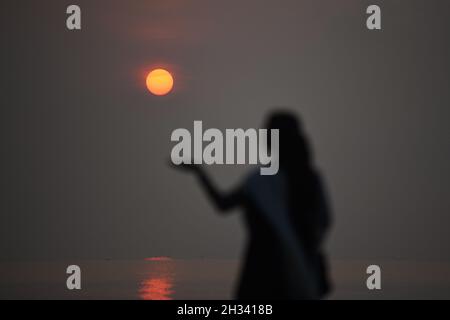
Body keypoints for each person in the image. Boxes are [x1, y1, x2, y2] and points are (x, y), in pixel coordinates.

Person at [173, 111, 332, 299]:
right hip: (300, 274)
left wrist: (199, 173)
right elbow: (324, 223)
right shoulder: (311, 180)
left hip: (260, 276)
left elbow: (222, 204)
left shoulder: (260, 182)